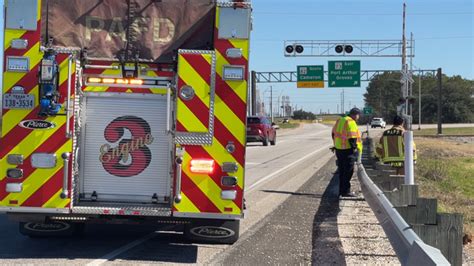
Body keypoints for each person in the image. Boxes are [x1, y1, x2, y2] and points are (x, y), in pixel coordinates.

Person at [332, 108, 362, 197]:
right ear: (355, 115)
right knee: (348, 172)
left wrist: (336, 145)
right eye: (358, 115)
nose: (358, 117)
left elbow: (333, 133)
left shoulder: (340, 120)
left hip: (339, 149)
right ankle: (346, 191)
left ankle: (341, 190)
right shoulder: (351, 122)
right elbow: (352, 138)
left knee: (342, 172)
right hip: (348, 151)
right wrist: (355, 150)